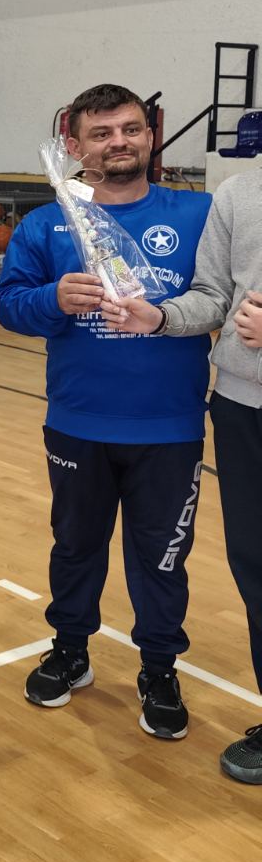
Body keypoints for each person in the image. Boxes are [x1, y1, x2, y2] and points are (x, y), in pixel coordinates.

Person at [0, 83, 212, 739]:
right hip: (77, 423)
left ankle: (160, 668)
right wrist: (53, 298)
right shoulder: (47, 224)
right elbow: (8, 305)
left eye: (131, 129)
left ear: (150, 135)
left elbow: (220, 297)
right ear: (74, 145)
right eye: (102, 133)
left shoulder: (198, 213)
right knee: (75, 546)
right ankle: (70, 650)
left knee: (163, 557)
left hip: (169, 427)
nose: (119, 142)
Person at [101, 158, 262, 777]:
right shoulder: (239, 193)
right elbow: (214, 295)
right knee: (255, 565)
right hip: (243, 406)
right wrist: (162, 317)